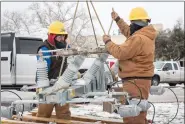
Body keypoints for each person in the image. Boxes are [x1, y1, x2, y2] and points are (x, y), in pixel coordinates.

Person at [102, 7, 157, 124]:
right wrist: (117, 19)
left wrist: (108, 42)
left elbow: (120, 52)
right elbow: (129, 32)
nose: (130, 25)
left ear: (137, 23)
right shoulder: (144, 35)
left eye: (132, 23)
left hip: (135, 82)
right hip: (140, 81)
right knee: (138, 113)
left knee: (132, 116)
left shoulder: (138, 39)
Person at [36, 21, 71, 122]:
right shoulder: (44, 49)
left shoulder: (65, 46)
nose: (62, 39)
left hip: (62, 85)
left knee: (64, 114)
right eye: (59, 37)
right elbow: (43, 68)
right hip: (48, 87)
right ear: (52, 36)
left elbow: (72, 53)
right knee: (43, 115)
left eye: (63, 37)